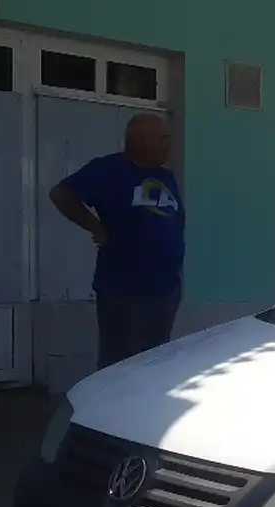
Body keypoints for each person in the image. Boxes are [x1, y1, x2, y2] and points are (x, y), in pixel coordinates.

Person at [49, 113, 185, 369]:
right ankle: (114, 409)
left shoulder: (165, 176)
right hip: (125, 292)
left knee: (154, 363)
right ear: (141, 141)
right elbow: (61, 194)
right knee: (120, 366)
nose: (170, 143)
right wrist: (96, 228)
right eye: (163, 137)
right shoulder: (110, 170)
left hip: (165, 291)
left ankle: (148, 408)